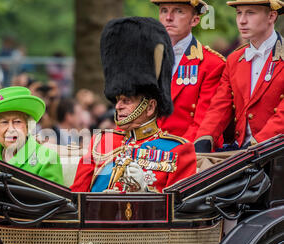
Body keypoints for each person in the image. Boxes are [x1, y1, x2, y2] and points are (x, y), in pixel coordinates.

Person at [71, 17, 197, 193]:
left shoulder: (178, 149)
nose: (117, 106)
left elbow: (179, 210)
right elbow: (77, 195)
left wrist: (145, 192)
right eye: (118, 100)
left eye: (126, 101)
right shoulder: (102, 141)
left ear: (150, 107)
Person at [194, 0, 284, 152]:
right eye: (239, 13)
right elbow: (219, 106)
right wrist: (203, 139)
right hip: (240, 151)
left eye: (250, 13)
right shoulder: (234, 60)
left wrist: (256, 145)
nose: (242, 21)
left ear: (271, 16)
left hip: (275, 152)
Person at [152, 0, 226, 144]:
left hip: (188, 152)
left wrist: (174, 153)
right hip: (144, 152)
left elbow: (204, 123)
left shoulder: (212, 64)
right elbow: (131, 112)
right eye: (164, 11)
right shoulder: (144, 58)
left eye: (178, 11)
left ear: (195, 20)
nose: (169, 17)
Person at [0, 86, 64, 185]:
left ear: (27, 126)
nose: (11, 129)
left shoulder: (47, 159)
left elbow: (53, 199)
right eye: (4, 122)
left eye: (17, 122)